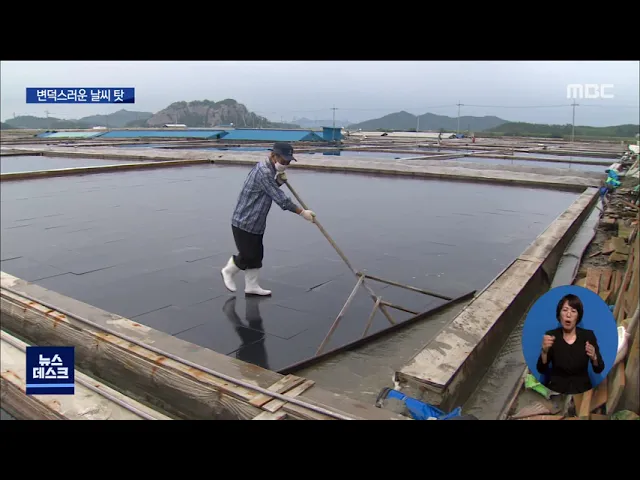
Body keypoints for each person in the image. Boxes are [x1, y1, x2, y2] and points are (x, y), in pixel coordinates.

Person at [220, 142, 316, 296]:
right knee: (248, 254)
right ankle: (228, 270)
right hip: (245, 220)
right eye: (283, 161)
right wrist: (302, 212)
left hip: (256, 221)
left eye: (288, 162)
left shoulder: (269, 170)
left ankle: (251, 286)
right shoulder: (264, 171)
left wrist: (278, 182)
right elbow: (281, 199)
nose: (285, 164)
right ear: (273, 156)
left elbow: (266, 190)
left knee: (257, 254)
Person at [536, 293, 604, 394]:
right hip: (557, 391)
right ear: (559, 315)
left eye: (573, 311)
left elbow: (599, 369)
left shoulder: (588, 336)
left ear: (578, 316)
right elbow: (541, 369)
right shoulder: (551, 336)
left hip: (582, 391)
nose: (568, 315)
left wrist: (594, 357)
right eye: (565, 310)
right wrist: (544, 352)